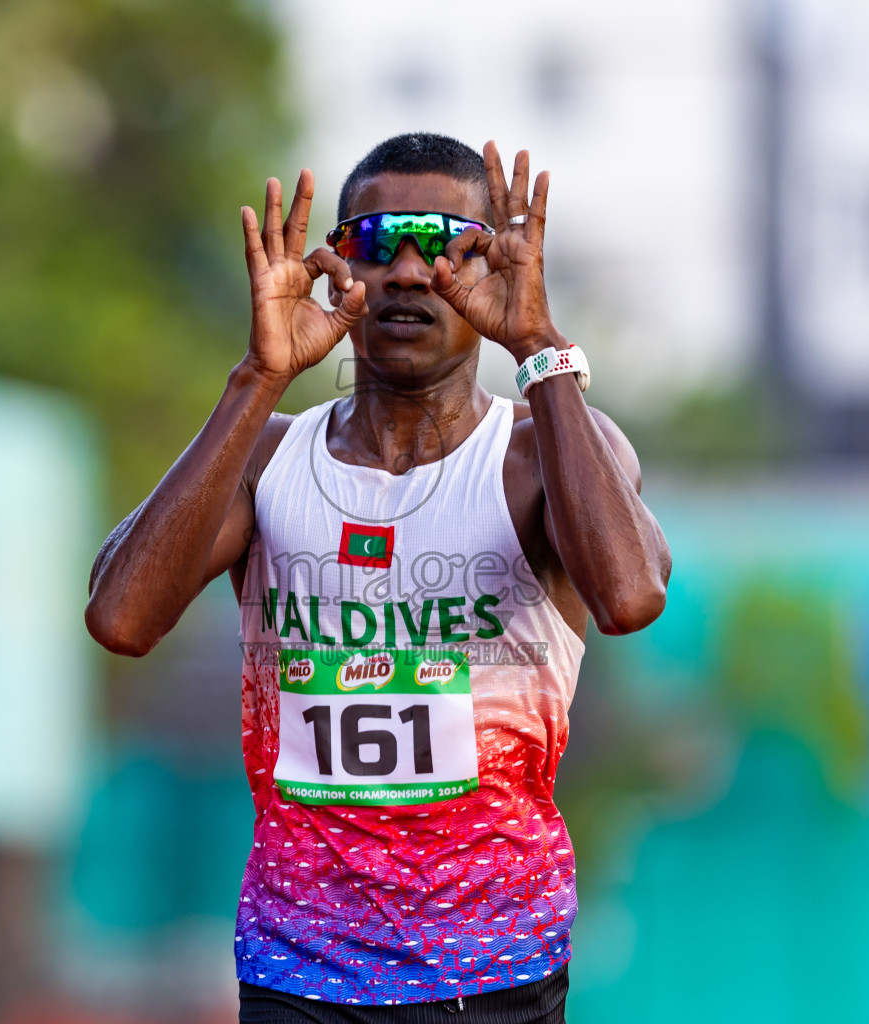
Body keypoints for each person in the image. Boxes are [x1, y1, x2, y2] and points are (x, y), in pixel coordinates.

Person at [86, 132, 671, 1023]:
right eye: (375, 241)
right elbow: (121, 618)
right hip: (299, 969)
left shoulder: (537, 455)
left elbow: (629, 597)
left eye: (441, 243)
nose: (405, 271)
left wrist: (542, 347)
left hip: (495, 970)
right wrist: (258, 378)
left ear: (493, 264)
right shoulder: (268, 458)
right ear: (334, 270)